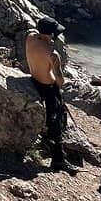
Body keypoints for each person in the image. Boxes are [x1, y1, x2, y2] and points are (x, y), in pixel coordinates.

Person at [25, 18, 78, 175]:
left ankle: (47, 144)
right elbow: (60, 81)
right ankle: (58, 159)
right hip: (47, 87)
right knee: (55, 121)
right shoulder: (52, 54)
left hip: (33, 79)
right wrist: (56, 80)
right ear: (52, 34)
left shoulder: (30, 37)